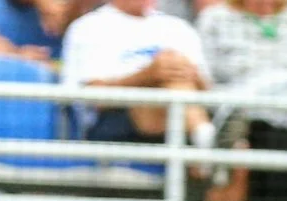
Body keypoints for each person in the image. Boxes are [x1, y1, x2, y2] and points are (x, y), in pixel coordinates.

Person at [62, 0, 215, 147]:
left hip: (178, 115)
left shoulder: (178, 27)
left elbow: (207, 91)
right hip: (116, 119)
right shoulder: (88, 27)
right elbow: (93, 99)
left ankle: (203, 139)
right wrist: (148, 75)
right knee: (169, 84)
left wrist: (188, 72)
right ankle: (205, 140)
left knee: (175, 80)